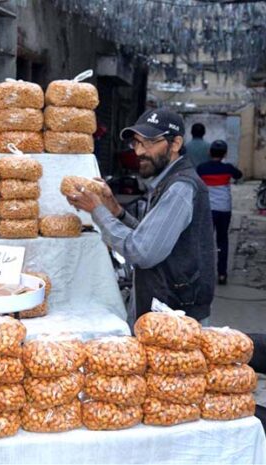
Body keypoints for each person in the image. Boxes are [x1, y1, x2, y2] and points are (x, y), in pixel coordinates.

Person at [65, 109, 215, 324]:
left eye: (150, 142)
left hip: (175, 317)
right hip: (164, 309)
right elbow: (151, 236)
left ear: (175, 144)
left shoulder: (180, 187)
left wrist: (97, 211)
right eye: (136, 142)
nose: (139, 152)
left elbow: (142, 252)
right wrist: (116, 211)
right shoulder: (166, 181)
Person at [196, 140, 243, 285]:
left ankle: (203, 273)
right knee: (222, 240)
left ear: (210, 153)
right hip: (224, 209)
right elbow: (239, 175)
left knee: (205, 241)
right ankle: (222, 274)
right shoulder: (228, 168)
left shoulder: (202, 169)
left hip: (208, 210)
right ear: (225, 154)